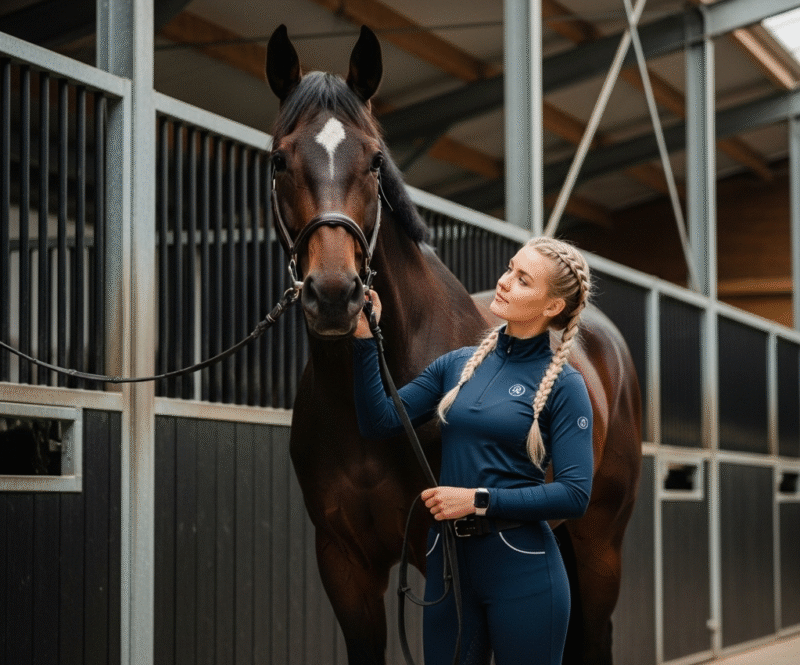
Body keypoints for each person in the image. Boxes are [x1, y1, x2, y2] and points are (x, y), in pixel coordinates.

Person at [351, 236, 595, 665]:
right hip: (448, 568)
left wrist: (478, 500)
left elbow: (575, 494)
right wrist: (366, 341)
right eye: (509, 269)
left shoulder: (565, 385)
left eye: (522, 280)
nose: (504, 282)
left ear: (552, 307)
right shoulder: (457, 364)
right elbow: (381, 421)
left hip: (524, 571)